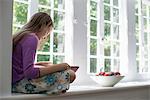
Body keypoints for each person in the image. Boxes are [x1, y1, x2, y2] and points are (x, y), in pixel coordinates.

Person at [12, 12, 76, 94]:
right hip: (19, 83)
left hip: (13, 81)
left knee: (48, 66)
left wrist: (38, 64)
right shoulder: (32, 38)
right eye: (48, 31)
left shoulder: (23, 36)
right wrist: (59, 67)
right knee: (71, 74)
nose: (46, 35)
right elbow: (29, 72)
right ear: (44, 26)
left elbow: (19, 66)